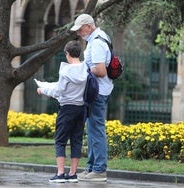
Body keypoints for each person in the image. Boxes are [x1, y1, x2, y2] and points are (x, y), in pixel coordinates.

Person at [70, 14, 114, 182]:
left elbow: (101, 70)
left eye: (81, 29)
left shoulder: (96, 43)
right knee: (92, 129)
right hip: (99, 90)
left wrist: (82, 69)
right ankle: (91, 168)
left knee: (96, 130)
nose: (79, 32)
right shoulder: (100, 37)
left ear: (88, 26)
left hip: (97, 92)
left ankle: (99, 169)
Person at [36, 40, 87, 183]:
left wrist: (43, 89)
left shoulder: (65, 71)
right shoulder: (86, 69)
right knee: (76, 140)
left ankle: (60, 173)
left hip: (67, 108)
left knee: (60, 140)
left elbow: (59, 91)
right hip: (81, 108)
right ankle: (72, 173)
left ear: (67, 53)